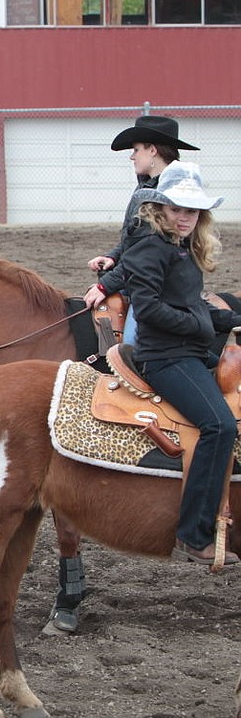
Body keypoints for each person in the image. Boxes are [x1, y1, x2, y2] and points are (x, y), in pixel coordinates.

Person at [118, 161, 241, 566]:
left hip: (185, 348)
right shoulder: (150, 248)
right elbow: (149, 308)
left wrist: (229, 318)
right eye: (177, 209)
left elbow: (192, 306)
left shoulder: (179, 246)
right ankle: (192, 534)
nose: (185, 217)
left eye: (192, 211)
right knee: (218, 424)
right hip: (164, 356)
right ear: (161, 208)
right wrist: (199, 324)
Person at [84, 115, 199, 343]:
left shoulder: (167, 196)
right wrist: (113, 256)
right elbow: (136, 240)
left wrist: (104, 285)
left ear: (153, 150)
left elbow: (147, 254)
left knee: (132, 346)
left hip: (158, 289)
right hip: (144, 278)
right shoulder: (148, 186)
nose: (132, 156)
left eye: (136, 149)